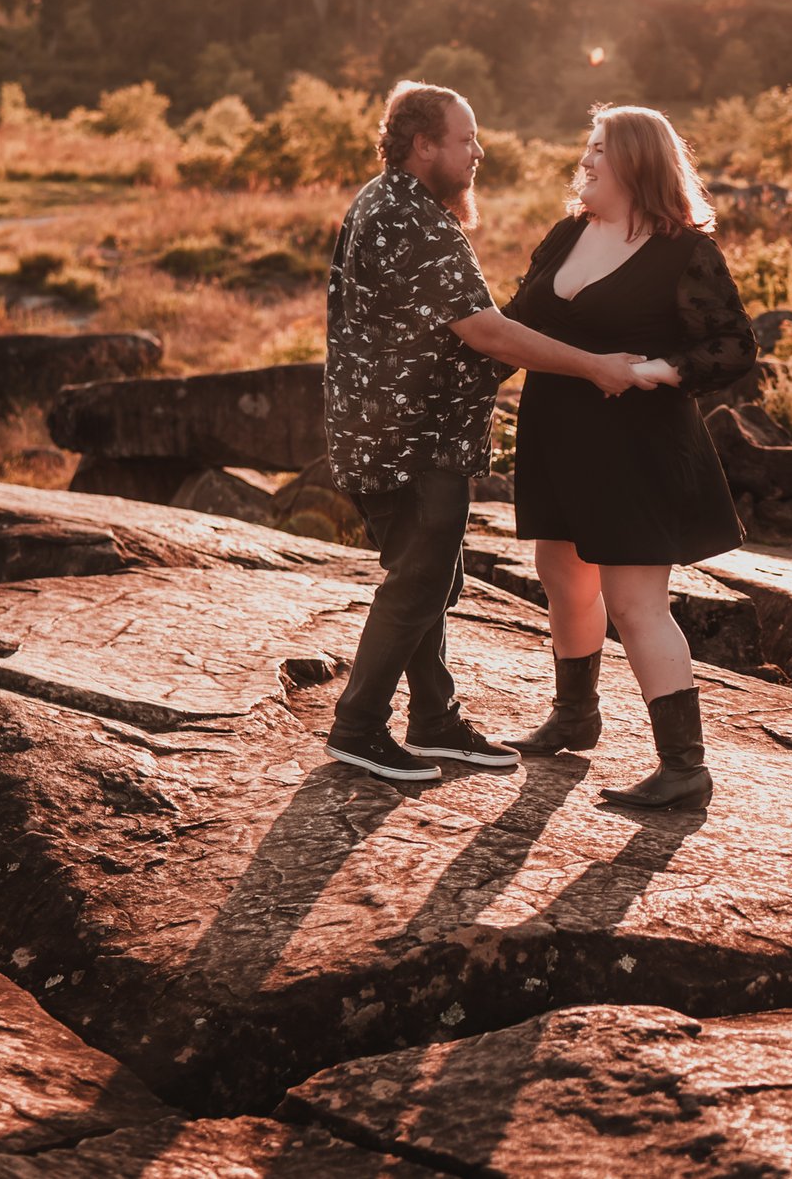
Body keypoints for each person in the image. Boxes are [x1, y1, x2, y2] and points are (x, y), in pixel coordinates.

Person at [321, 80, 651, 784]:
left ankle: (435, 718)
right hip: (410, 438)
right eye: (466, 139)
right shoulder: (412, 218)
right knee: (417, 579)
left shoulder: (387, 202)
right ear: (424, 145)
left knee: (430, 579)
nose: (479, 151)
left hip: (394, 432)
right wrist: (594, 366)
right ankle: (358, 725)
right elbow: (487, 331)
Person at [502, 105, 757, 808]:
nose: (584, 161)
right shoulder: (567, 235)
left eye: (598, 150)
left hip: (639, 444)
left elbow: (734, 346)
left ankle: (684, 767)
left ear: (639, 162)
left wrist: (653, 370)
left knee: (635, 600)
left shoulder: (685, 251)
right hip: (556, 432)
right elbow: (517, 325)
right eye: (585, 147)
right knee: (559, 569)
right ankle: (576, 715)